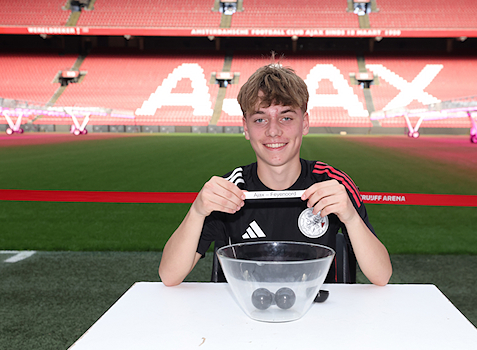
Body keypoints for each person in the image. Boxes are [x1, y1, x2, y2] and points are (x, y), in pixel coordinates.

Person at [159, 62, 392, 287]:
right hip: (245, 309)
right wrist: (197, 211)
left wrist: (350, 217)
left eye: (286, 118)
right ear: (246, 127)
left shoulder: (332, 183)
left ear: (305, 123)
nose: (273, 131)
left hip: (316, 310)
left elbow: (381, 276)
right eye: (260, 119)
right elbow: (169, 276)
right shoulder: (230, 189)